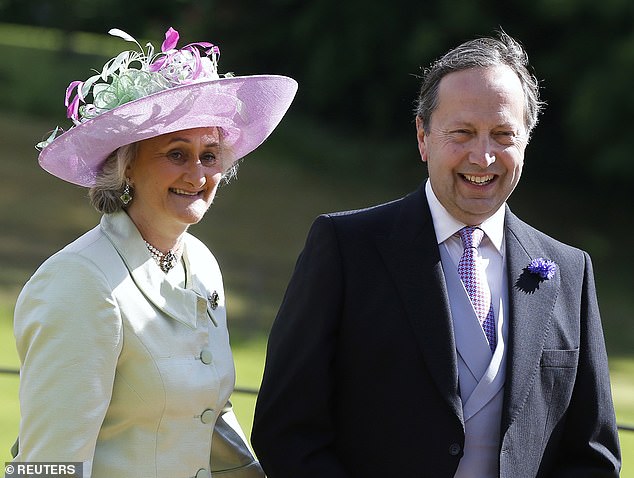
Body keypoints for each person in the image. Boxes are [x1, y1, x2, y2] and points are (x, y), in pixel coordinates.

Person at [251, 31, 621, 477]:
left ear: (526, 141)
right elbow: (287, 431)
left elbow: (593, 455)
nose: (483, 157)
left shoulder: (569, 269)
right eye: (462, 132)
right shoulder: (345, 248)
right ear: (423, 136)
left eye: (503, 134)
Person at [10, 27, 296, 478]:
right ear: (126, 166)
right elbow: (51, 460)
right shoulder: (80, 281)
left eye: (209, 155)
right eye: (176, 154)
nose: (198, 173)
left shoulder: (200, 263)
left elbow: (207, 414)